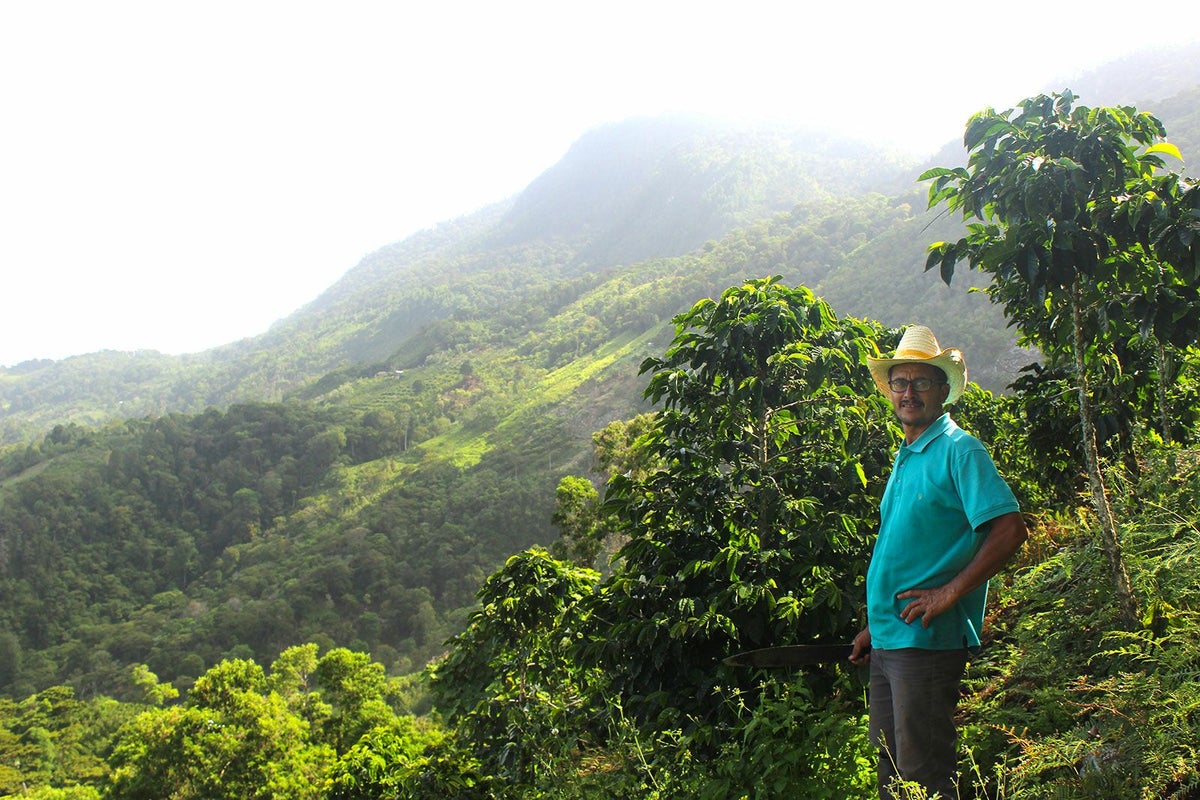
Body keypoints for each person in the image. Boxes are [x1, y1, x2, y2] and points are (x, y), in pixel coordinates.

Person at [849, 325, 1028, 799]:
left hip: (926, 641)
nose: (909, 393)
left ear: (943, 390)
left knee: (923, 773)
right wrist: (875, 625)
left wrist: (949, 593)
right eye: (900, 382)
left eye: (921, 382)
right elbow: (909, 548)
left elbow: (1010, 529)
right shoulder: (908, 453)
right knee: (892, 769)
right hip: (892, 636)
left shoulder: (959, 450)